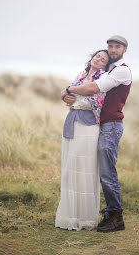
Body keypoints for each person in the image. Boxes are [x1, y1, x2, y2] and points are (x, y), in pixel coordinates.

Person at [61, 35, 132, 233]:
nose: (112, 50)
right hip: (102, 125)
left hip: (111, 126)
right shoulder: (108, 70)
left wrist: (67, 89)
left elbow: (94, 88)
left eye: (117, 47)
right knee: (102, 171)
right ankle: (110, 213)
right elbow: (82, 90)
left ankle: (116, 217)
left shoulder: (122, 71)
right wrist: (65, 94)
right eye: (110, 46)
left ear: (124, 49)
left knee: (107, 172)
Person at [55, 50, 110, 231]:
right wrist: (66, 96)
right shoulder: (81, 75)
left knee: (85, 168)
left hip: (88, 126)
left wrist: (71, 96)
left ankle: (84, 218)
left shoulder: (103, 77)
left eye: (103, 59)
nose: (99, 59)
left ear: (105, 65)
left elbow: (93, 101)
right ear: (92, 57)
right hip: (73, 122)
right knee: (71, 166)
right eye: (97, 56)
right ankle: (69, 216)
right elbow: (69, 97)